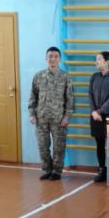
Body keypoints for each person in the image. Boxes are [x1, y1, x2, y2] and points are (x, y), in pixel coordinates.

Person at [28, 46, 75, 180]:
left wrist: (66, 117)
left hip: (59, 119)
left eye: (55, 56)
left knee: (59, 147)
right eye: (50, 56)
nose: (52, 59)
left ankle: (57, 171)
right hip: (41, 118)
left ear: (59, 59)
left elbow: (70, 99)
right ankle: (47, 170)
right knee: (42, 146)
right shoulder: (38, 76)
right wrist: (32, 114)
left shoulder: (65, 77)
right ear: (46, 58)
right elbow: (33, 97)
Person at [89, 51, 109, 183]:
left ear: (107, 62)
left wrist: (99, 112)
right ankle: (102, 169)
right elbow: (90, 95)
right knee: (99, 144)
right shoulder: (94, 77)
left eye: (99, 59)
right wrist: (94, 112)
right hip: (95, 116)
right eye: (96, 59)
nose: (97, 62)